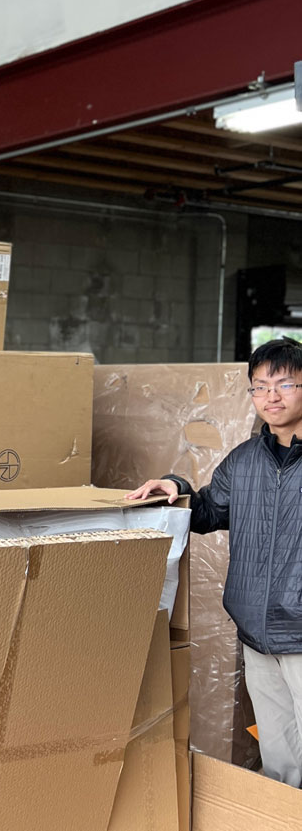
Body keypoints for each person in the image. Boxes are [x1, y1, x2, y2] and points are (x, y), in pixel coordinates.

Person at [126, 335, 302, 789]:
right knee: (282, 759)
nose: (270, 397)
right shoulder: (244, 462)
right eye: (259, 387)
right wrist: (175, 486)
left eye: (283, 384)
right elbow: (207, 511)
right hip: (256, 634)